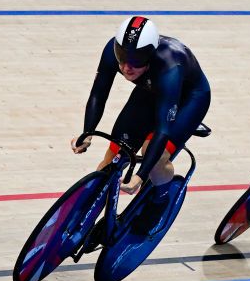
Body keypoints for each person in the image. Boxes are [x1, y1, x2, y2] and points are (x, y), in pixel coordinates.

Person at [71, 16, 211, 234]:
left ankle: (161, 200)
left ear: (150, 54)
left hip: (188, 100)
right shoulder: (113, 50)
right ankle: (84, 214)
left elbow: (163, 129)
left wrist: (141, 175)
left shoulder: (170, 65)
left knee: (154, 157)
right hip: (151, 91)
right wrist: (87, 132)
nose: (127, 66)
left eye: (136, 59)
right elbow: (98, 93)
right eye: (122, 56)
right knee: (113, 158)